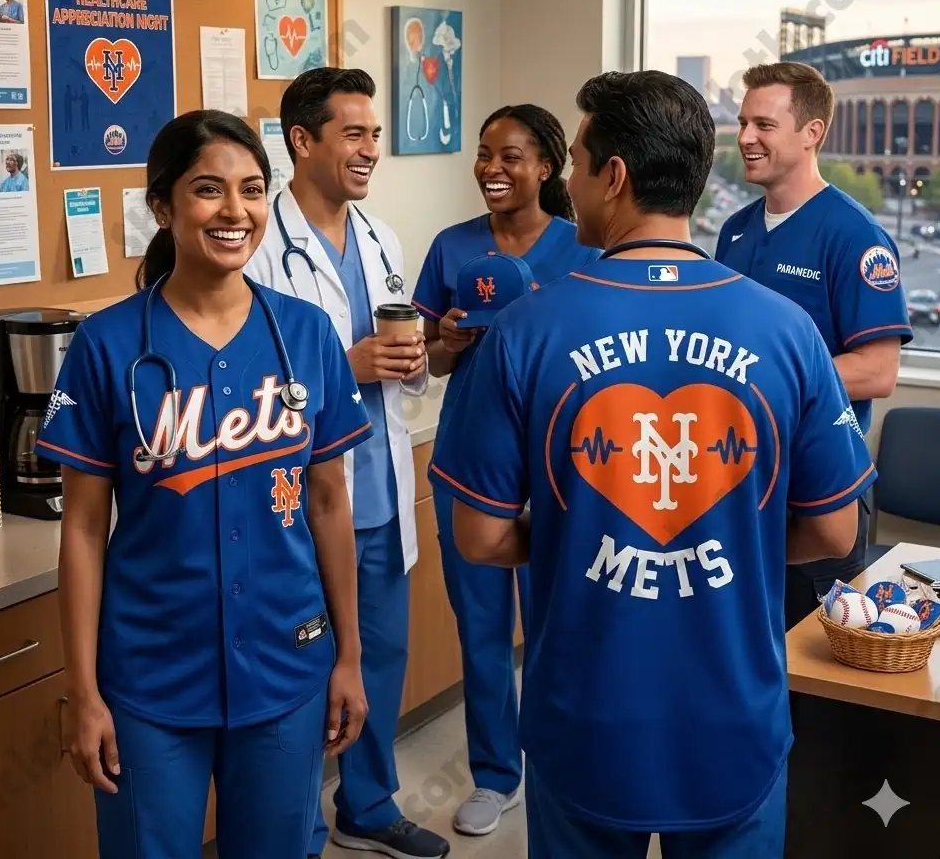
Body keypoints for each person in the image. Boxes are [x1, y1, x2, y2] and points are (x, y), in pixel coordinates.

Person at [427, 69, 875, 858]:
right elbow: (836, 531)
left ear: (615, 175)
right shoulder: (787, 331)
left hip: (584, 716)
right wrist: (729, 541)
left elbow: (481, 540)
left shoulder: (527, 331)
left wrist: (577, 538)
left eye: (575, 161)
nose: (569, 181)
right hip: (733, 715)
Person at [34, 110, 375, 859]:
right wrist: (84, 693)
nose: (235, 212)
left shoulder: (306, 335)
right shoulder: (109, 344)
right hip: (149, 680)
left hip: (287, 667)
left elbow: (328, 503)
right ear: (163, 207)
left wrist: (348, 657)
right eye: (208, 190)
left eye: (252, 190)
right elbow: (85, 530)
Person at [245, 68, 450, 859]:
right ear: (303, 141)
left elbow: (402, 358)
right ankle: (292, 828)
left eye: (375, 135)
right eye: (354, 134)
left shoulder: (381, 238)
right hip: (301, 503)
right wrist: (349, 365)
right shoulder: (260, 243)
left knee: (380, 660)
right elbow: (248, 374)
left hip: (381, 491)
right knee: (301, 676)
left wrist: (415, 359)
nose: (371, 151)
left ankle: (368, 803)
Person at [411, 103, 600, 838]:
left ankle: (561, 760)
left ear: (548, 167)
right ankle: (497, 774)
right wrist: (446, 343)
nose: (492, 167)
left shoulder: (582, 247)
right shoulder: (453, 247)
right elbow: (424, 356)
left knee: (561, 622)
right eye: (485, 153)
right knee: (483, 626)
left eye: (511, 155)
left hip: (557, 461)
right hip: (471, 458)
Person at [716, 61, 911, 628]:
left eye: (764, 125)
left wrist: (768, 375)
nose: (747, 138)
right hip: (743, 480)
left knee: (811, 684)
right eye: (743, 122)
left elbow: (878, 372)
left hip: (819, 490)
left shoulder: (854, 235)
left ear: (812, 133)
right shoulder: (734, 230)